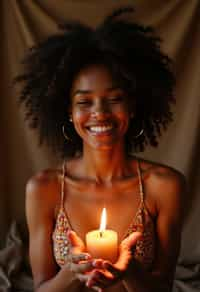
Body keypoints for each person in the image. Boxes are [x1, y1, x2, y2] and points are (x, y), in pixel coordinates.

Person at [16, 7, 186, 292]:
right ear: (68, 111)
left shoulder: (164, 186)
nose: (100, 113)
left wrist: (129, 272)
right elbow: (41, 289)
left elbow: (163, 288)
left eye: (114, 99)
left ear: (132, 106)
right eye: (84, 102)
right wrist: (70, 273)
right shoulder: (43, 189)